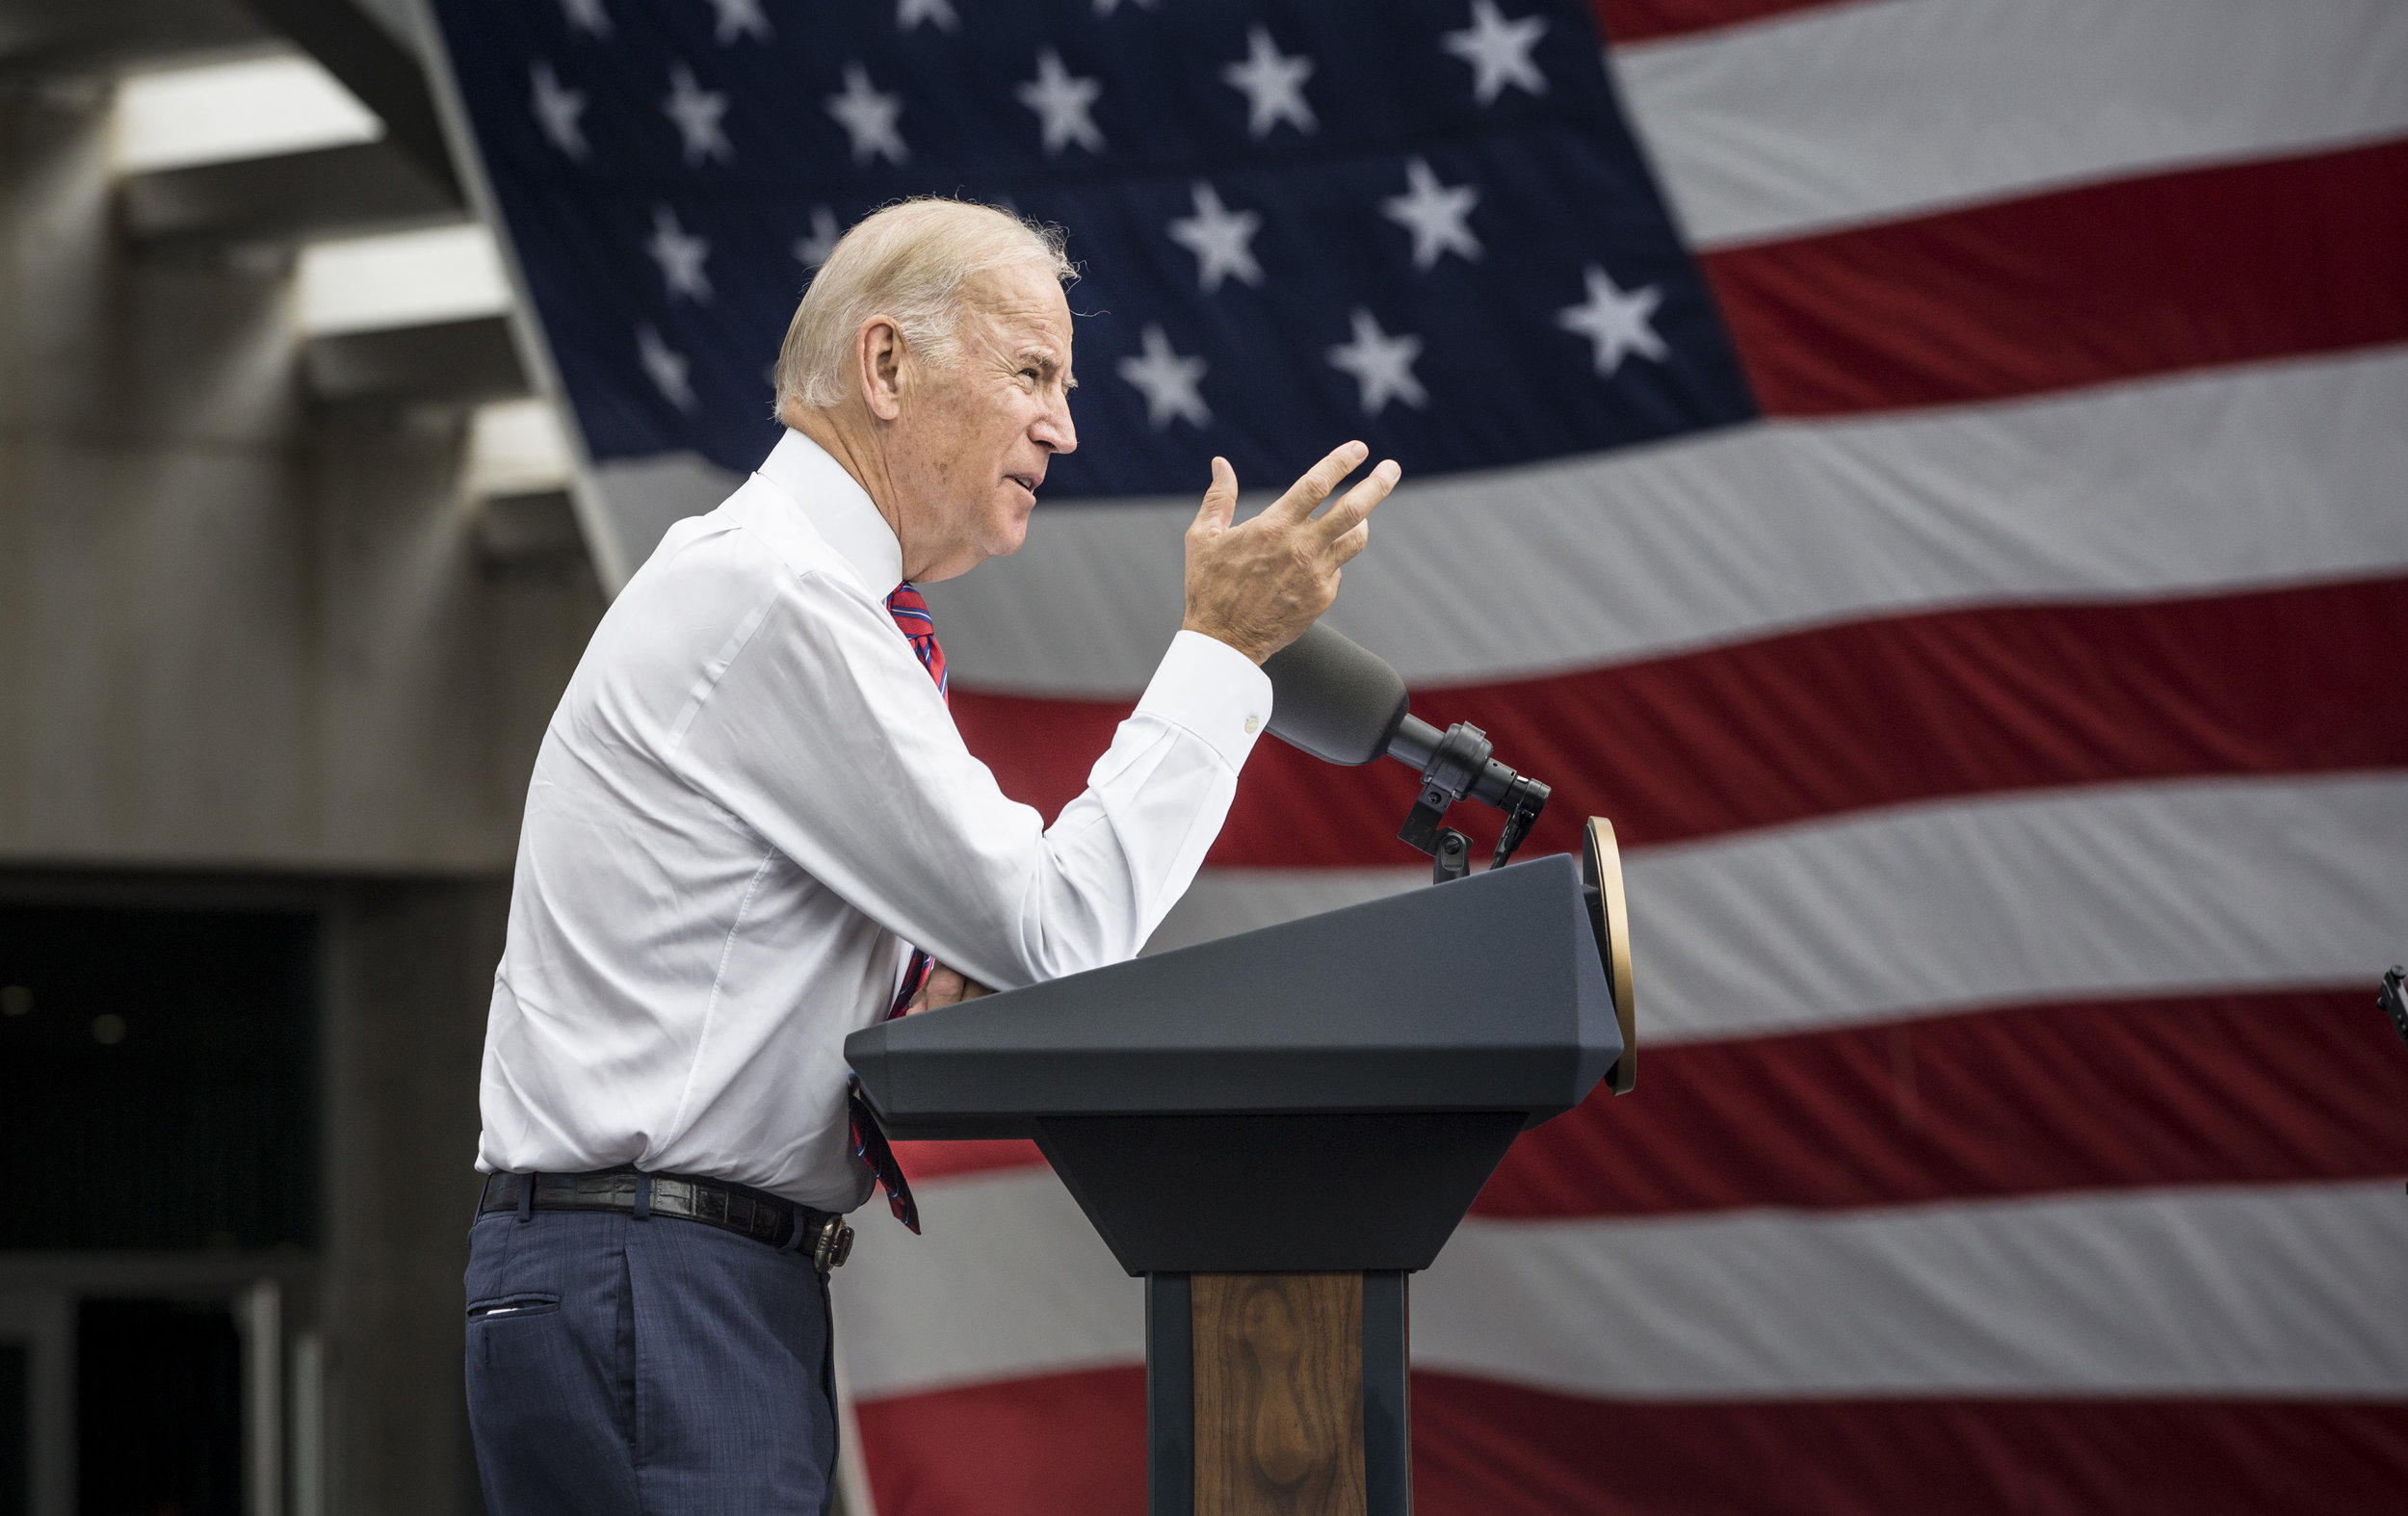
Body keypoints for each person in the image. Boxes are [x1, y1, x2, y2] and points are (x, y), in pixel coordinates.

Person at [461, 197, 1399, 1513]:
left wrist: (915, 974)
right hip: (658, 1280)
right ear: (886, 366)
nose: (1064, 426)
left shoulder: (785, 589)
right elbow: (1057, 923)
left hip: (666, 1274)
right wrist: (1223, 657)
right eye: (1031, 373)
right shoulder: (776, 594)